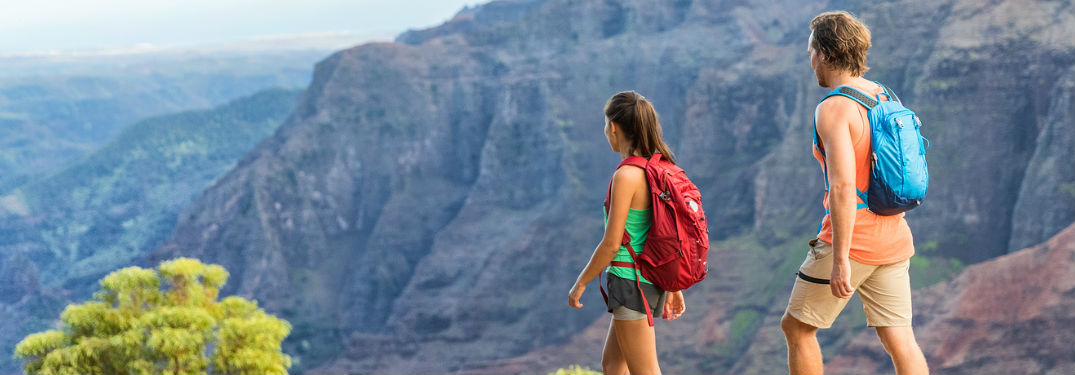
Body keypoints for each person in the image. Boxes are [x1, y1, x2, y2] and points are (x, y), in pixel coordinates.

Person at [780, 11, 930, 375]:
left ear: (827, 55)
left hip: (853, 240)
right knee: (900, 339)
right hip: (894, 239)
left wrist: (841, 259)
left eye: (812, 50)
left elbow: (844, 188)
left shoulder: (833, 108)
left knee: (797, 328)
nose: (810, 58)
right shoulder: (883, 94)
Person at [568, 91, 686, 375]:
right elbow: (664, 234)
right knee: (612, 366)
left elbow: (611, 244)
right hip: (650, 280)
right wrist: (673, 286)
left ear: (613, 127)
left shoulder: (627, 176)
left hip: (630, 281)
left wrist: (580, 283)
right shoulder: (660, 170)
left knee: (645, 370)